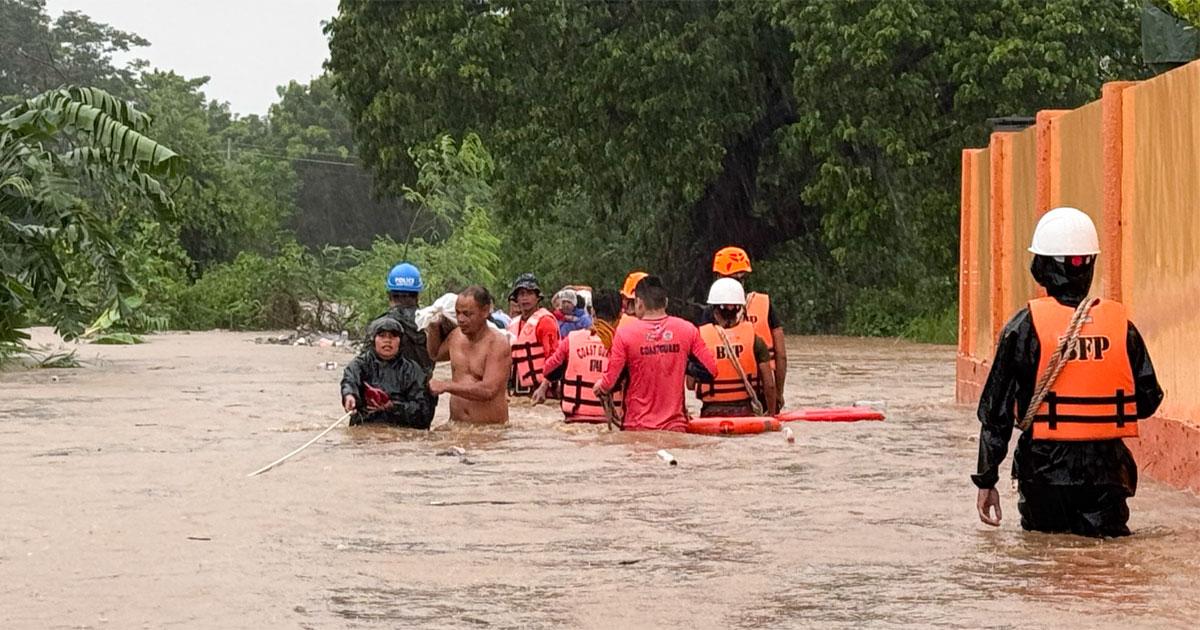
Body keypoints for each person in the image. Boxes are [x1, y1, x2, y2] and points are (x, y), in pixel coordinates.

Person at [973, 207, 1163, 538]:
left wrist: (987, 481)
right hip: (1107, 473)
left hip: (1044, 473)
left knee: (1047, 564)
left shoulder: (1023, 328)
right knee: (1105, 566)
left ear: (1041, 267)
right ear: (1089, 264)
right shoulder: (1122, 327)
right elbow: (1148, 400)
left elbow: (996, 415)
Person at [596, 275, 717, 431]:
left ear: (639, 303)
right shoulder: (687, 330)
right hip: (676, 428)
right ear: (665, 302)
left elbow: (610, 382)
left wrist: (600, 387)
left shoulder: (624, 334)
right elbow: (711, 370)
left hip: (636, 429)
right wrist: (683, 364)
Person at [705, 247, 787, 413]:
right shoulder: (765, 304)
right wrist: (778, 394)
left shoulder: (710, 312)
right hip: (762, 395)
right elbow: (781, 355)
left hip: (716, 404)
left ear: (718, 277)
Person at [533, 289, 622, 423]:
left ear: (592, 312)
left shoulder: (571, 340)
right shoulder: (624, 344)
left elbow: (548, 371)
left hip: (574, 422)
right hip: (610, 423)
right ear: (620, 315)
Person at [427, 286, 512, 424]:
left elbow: (488, 390)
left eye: (467, 314)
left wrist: (447, 386)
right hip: (456, 425)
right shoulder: (455, 336)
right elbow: (435, 355)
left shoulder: (497, 344)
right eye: (457, 313)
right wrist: (433, 327)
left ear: (485, 311)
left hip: (489, 431)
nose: (460, 319)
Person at [694, 278, 776, 417]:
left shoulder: (699, 339)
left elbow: (690, 384)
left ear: (714, 311)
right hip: (745, 412)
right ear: (739, 310)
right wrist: (772, 415)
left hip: (710, 414)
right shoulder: (755, 340)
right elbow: (769, 385)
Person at [341, 317, 433, 428]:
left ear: (400, 341)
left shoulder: (412, 370)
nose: (387, 340)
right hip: (365, 425)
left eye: (393, 336)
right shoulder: (360, 364)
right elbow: (349, 381)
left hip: (399, 430)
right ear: (373, 339)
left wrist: (393, 407)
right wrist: (349, 395)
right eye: (382, 335)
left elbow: (423, 411)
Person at [376, 261, 437, 424]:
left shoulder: (378, 327)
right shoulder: (433, 324)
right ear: (417, 295)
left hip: (383, 403)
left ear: (390, 295)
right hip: (421, 403)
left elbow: (365, 367)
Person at [506, 273, 559, 396]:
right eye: (521, 294)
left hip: (543, 392)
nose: (525, 298)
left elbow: (553, 358)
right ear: (516, 298)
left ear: (537, 297)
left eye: (529, 294)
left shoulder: (545, 321)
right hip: (517, 392)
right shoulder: (513, 324)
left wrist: (544, 387)